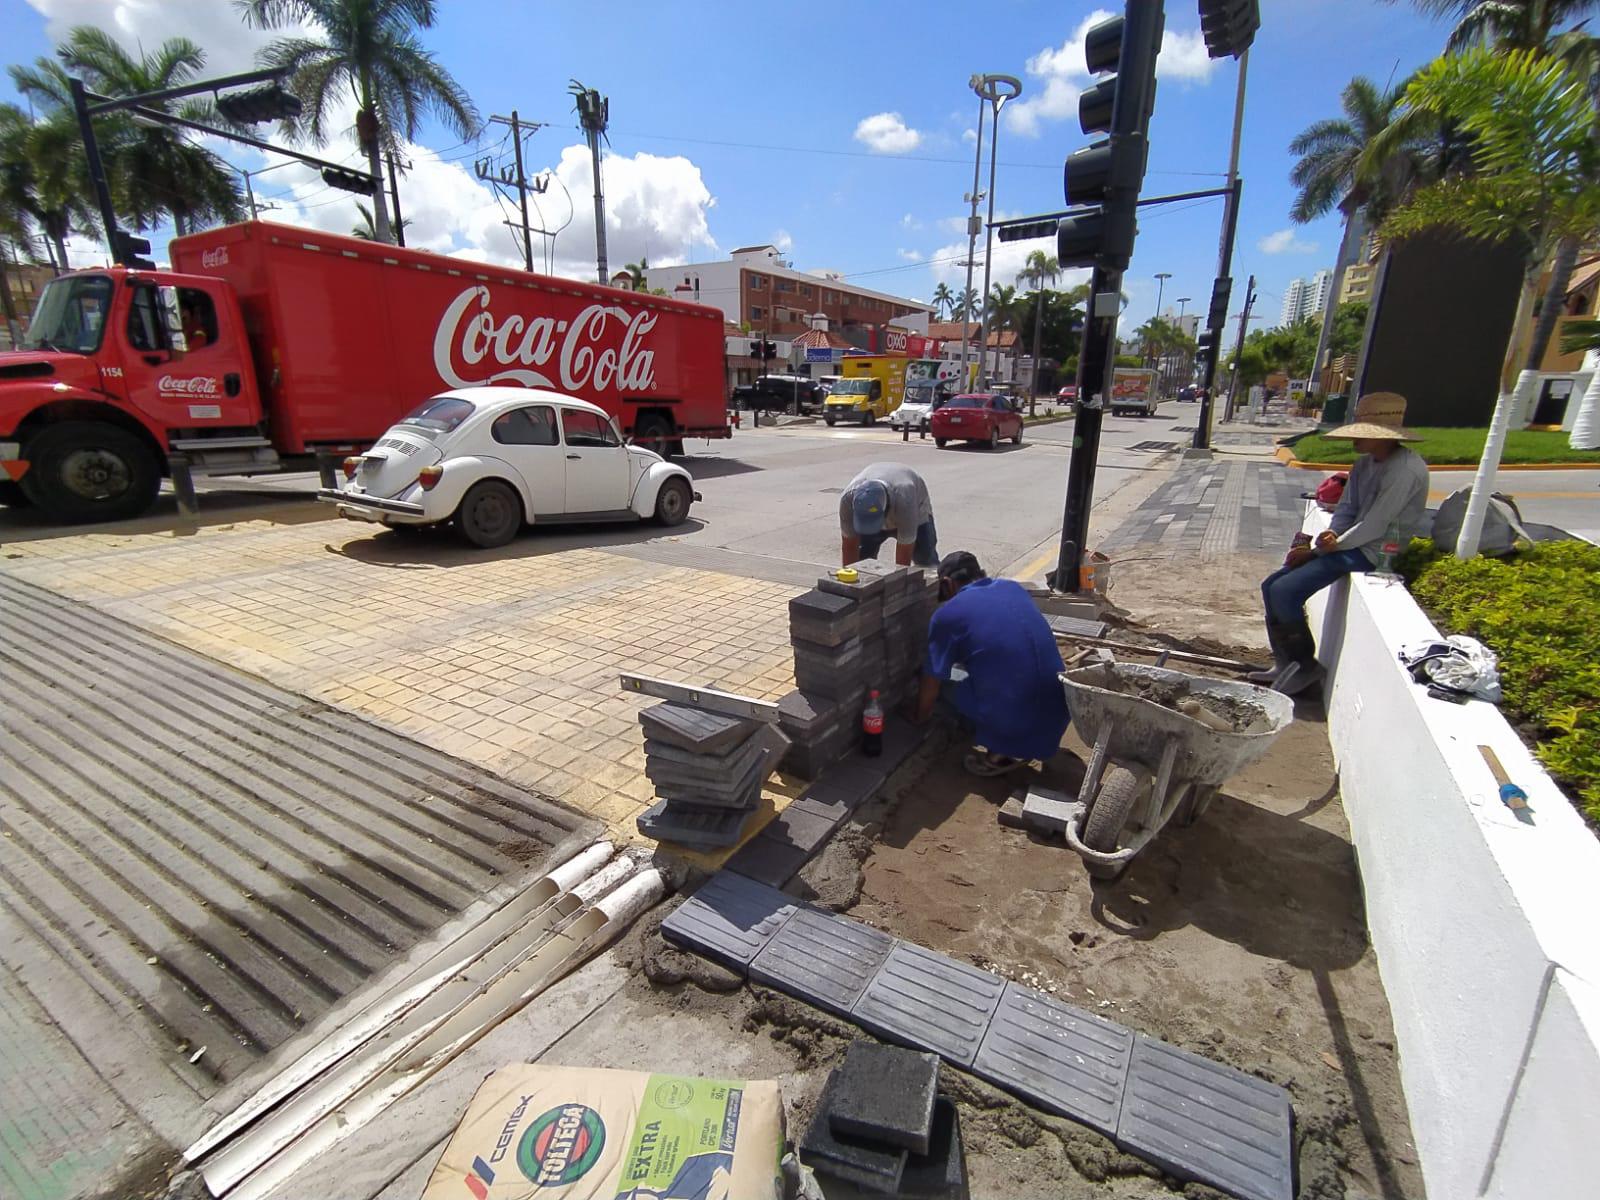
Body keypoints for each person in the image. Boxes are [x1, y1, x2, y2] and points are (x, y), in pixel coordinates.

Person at [1256, 392, 1429, 696]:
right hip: (1348, 545)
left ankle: (1304, 665)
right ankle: (1285, 662)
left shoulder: (1404, 470)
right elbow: (1347, 508)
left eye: (1362, 435)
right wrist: (1330, 536)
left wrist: (1326, 549)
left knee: (1286, 590)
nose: (1355, 441)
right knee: (1272, 585)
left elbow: (1377, 523)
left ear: (1383, 438)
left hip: (1374, 551)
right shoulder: (1364, 465)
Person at [912, 551, 1071, 776]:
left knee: (945, 682)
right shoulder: (1012, 588)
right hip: (1058, 714)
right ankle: (1009, 737)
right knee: (991, 669)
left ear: (946, 583)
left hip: (1015, 721)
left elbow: (932, 679)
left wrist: (919, 718)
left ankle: (1000, 749)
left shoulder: (948, 614)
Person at [839, 461, 937, 567]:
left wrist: (898, 582)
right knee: (862, 561)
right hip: (891, 498)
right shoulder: (847, 500)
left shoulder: (905, 500)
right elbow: (849, 547)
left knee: (925, 560)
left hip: (915, 510)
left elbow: (903, 559)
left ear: (887, 510)